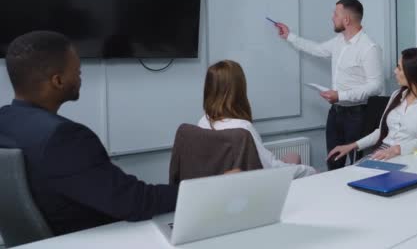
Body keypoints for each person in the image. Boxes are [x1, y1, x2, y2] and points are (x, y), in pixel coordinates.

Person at [0, 31, 178, 235]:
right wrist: (201, 190)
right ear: (57, 81)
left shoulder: (4, 121)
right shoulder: (64, 138)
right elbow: (136, 202)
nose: (79, 77)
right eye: (77, 72)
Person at [275, 0, 384, 169]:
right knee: (333, 162)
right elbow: (317, 49)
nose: (332, 17)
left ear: (346, 20)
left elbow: (376, 86)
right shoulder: (339, 41)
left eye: (336, 14)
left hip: (358, 115)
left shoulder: (369, 47)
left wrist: (341, 95)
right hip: (335, 112)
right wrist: (290, 36)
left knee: (356, 166)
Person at [197, 60, 316, 179]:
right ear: (239, 90)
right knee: (295, 158)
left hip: (221, 184)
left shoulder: (203, 121)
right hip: (251, 184)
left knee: (292, 156)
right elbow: (271, 168)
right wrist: (310, 171)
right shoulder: (243, 128)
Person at [327, 48, 417, 161]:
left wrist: (396, 150)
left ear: (413, 73)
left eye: (399, 68)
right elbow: (381, 131)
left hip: (407, 157)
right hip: (382, 152)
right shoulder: (396, 95)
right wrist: (352, 145)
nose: (395, 71)